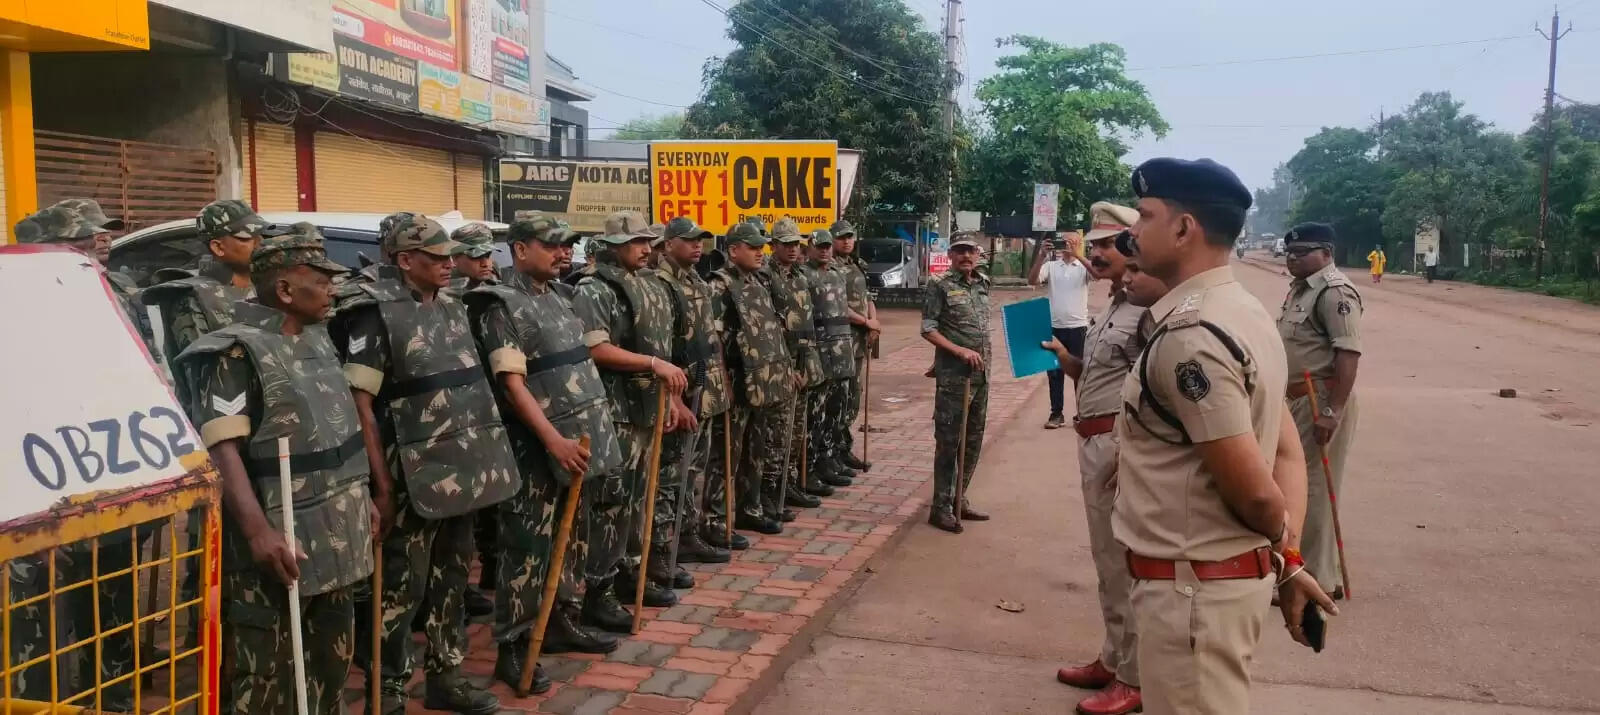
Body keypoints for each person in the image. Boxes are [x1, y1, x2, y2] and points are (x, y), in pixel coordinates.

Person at [1114, 157, 1335, 714]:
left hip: (1192, 594)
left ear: (1184, 228)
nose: (1132, 232)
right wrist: (1288, 557)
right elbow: (1284, 450)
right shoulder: (1244, 310)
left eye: (1144, 215)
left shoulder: (1191, 336)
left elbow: (1257, 492)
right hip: (1216, 584)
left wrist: (1284, 555)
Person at [177, 224, 376, 714]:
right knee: (265, 674)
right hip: (278, 533)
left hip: (336, 526)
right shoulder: (232, 352)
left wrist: (363, 498)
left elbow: (336, 431)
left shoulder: (318, 337)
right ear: (285, 290)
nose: (333, 288)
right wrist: (258, 532)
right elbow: (223, 451)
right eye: (322, 280)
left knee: (331, 660)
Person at [335, 212, 519, 715]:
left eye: (447, 256)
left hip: (463, 466)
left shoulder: (455, 303)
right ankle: (389, 687)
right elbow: (360, 403)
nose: (447, 264)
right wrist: (381, 486)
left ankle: (446, 674)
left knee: (452, 576)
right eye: (435, 258)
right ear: (404, 260)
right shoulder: (372, 312)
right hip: (407, 468)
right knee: (400, 586)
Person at [465, 217, 627, 693]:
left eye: (568, 246)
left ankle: (558, 621)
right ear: (518, 249)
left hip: (581, 443)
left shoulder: (560, 297)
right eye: (552, 245)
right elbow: (512, 385)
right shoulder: (499, 304)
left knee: (572, 537)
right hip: (535, 446)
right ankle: (514, 647)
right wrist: (552, 439)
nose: (564, 253)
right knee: (527, 548)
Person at [8, 205, 148, 709]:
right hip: (36, 484)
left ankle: (114, 699)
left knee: (111, 602)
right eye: (86, 236)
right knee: (34, 617)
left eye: (104, 232)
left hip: (113, 472)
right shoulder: (16, 303)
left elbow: (148, 376)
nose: (102, 240)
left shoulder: (122, 292)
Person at [1041, 203, 1144, 715]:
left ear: (1134, 248)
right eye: (1094, 244)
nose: (1096, 253)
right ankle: (1114, 657)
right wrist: (1067, 361)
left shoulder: (1152, 311)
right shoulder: (1116, 305)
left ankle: (1136, 676)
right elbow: (1099, 378)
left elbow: (1158, 394)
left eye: (1107, 244)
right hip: (1095, 443)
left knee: (1128, 564)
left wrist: (1139, 455)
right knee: (1107, 561)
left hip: (1124, 448)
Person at [572, 210, 690, 626]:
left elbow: (661, 351)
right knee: (610, 503)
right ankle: (597, 588)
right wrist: (653, 363)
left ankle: (628, 574)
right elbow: (595, 348)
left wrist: (671, 399)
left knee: (640, 499)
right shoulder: (593, 289)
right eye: (636, 242)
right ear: (613, 246)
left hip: (646, 408)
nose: (646, 249)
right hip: (613, 412)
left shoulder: (648, 286)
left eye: (647, 242)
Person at [1279, 223, 1363, 599]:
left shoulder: (1334, 293)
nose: (1293, 257)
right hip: (1297, 398)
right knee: (1299, 486)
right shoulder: (1301, 289)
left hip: (1320, 398)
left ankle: (1315, 580)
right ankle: (1319, 572)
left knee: (1312, 490)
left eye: (1303, 251)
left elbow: (1348, 353)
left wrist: (1333, 410)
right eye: (1289, 251)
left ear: (1326, 253)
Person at [654, 216, 742, 559]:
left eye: (700, 240)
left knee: (694, 467)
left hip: (705, 386)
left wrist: (722, 382)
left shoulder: (696, 282)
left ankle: (687, 533)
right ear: (668, 244)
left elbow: (712, 337)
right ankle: (664, 546)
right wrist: (673, 395)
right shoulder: (660, 284)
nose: (697, 246)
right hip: (679, 387)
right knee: (672, 471)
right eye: (689, 240)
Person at [709, 222, 795, 535]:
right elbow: (714, 338)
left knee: (756, 447)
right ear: (734, 250)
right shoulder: (719, 285)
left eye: (762, 247)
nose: (761, 252)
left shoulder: (758, 282)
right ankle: (715, 521)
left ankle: (750, 507)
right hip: (736, 376)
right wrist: (723, 382)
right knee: (726, 454)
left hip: (763, 381)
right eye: (753, 247)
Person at [920, 234, 991, 533]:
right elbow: (927, 328)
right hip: (954, 378)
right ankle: (940, 507)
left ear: (977, 254)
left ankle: (958, 498)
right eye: (959, 251)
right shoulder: (939, 285)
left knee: (973, 441)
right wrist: (958, 351)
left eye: (970, 251)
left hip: (982, 377)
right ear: (950, 254)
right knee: (949, 443)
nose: (965, 256)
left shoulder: (983, 283)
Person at [765, 219, 826, 513]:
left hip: (803, 362)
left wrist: (807, 364)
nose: (792, 249)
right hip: (780, 365)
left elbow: (807, 323)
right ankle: (771, 492)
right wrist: (787, 368)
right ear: (773, 245)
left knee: (797, 431)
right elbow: (770, 328)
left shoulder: (800, 277)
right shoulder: (765, 278)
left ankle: (789, 485)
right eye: (785, 243)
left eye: (795, 244)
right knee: (776, 435)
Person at [802, 230, 856, 495]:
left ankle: (831, 459)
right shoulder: (803, 276)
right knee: (816, 415)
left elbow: (843, 311)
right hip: (819, 352)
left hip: (842, 350)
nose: (824, 250)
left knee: (838, 410)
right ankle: (813, 467)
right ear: (810, 247)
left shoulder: (837, 274)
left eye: (826, 247)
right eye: (819, 246)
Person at [1029, 230, 1094, 429]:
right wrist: (1041, 256)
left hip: (1077, 328)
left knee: (1079, 373)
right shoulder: (1051, 266)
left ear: (1079, 243)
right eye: (1063, 241)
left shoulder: (1082, 267)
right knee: (1054, 373)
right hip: (1054, 327)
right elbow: (1032, 280)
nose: (1066, 245)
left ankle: (1083, 413)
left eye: (1071, 241)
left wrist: (1078, 255)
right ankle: (1056, 414)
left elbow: (1097, 274)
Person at [829, 220, 879, 473]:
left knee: (853, 399)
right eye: (841, 238)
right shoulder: (831, 268)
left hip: (860, 341)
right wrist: (866, 321)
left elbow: (868, 296)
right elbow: (838, 306)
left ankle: (844, 448)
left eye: (850, 237)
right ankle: (833, 453)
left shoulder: (856, 265)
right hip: (842, 340)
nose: (847, 241)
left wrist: (875, 321)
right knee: (839, 399)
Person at [450, 222, 500, 290]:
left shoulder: (494, 278)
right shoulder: (441, 291)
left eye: (488, 255)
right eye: (477, 256)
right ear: (455, 257)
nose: (485, 264)